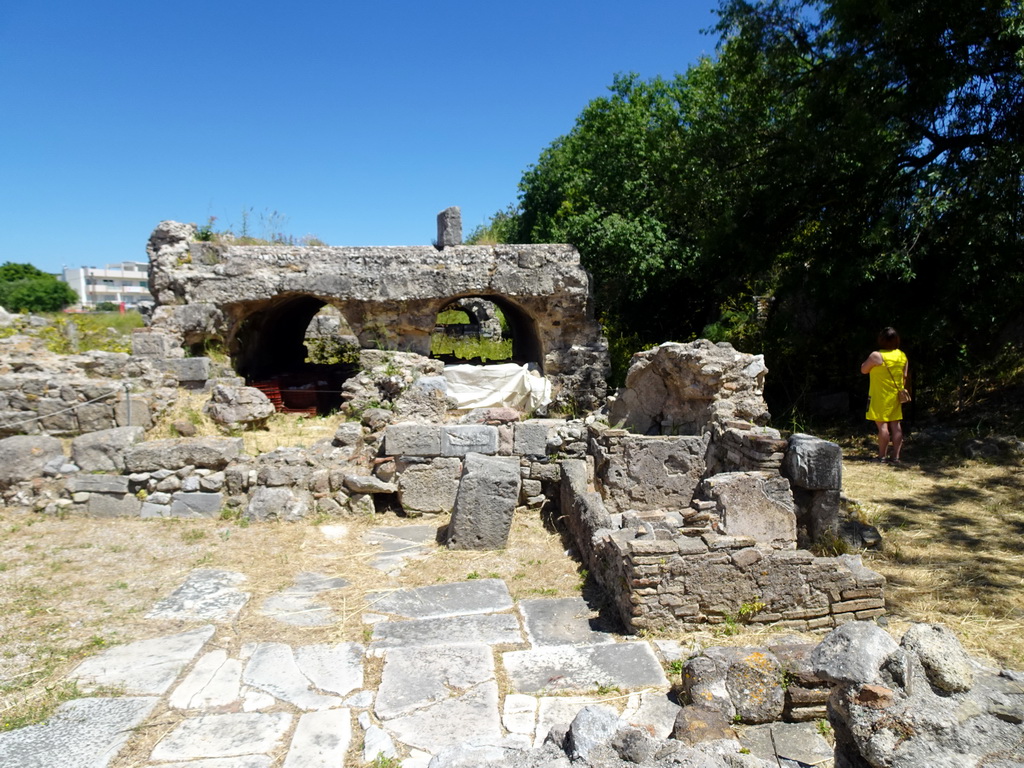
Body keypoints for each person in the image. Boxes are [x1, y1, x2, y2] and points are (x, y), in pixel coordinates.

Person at [861, 327, 909, 463]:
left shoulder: (876, 356)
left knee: (882, 426)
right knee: (896, 425)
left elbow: (863, 369)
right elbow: (904, 375)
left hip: (880, 395)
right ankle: (896, 456)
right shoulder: (902, 355)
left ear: (881, 340)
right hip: (895, 395)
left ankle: (882, 456)